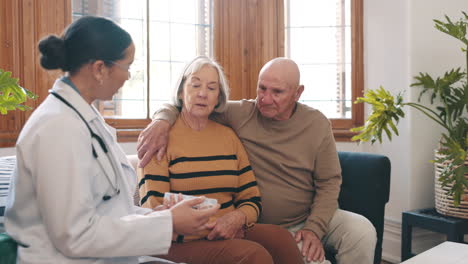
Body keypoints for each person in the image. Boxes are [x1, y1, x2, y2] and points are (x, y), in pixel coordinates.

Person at [4, 16, 219, 264]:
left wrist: (155, 218)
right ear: (99, 69)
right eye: (126, 67)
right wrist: (167, 224)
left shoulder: (86, 119)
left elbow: (107, 208)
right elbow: (75, 235)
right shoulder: (57, 127)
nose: (128, 76)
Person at [137, 57, 378, 264]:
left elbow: (327, 181)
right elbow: (186, 106)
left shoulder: (314, 124)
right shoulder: (238, 115)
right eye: (262, 88)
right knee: (260, 253)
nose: (265, 98)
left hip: (309, 215)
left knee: (362, 231)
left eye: (277, 92)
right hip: (194, 234)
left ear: (298, 92)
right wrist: (161, 120)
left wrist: (313, 228)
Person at [138, 56, 304, 264]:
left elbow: (251, 198)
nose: (202, 93)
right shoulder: (159, 137)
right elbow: (154, 208)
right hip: (176, 240)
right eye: (195, 85)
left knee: (280, 238)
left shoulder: (228, 137)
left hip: (226, 230)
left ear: (219, 97)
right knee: (253, 255)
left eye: (211, 88)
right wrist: (216, 226)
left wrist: (237, 218)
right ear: (181, 91)